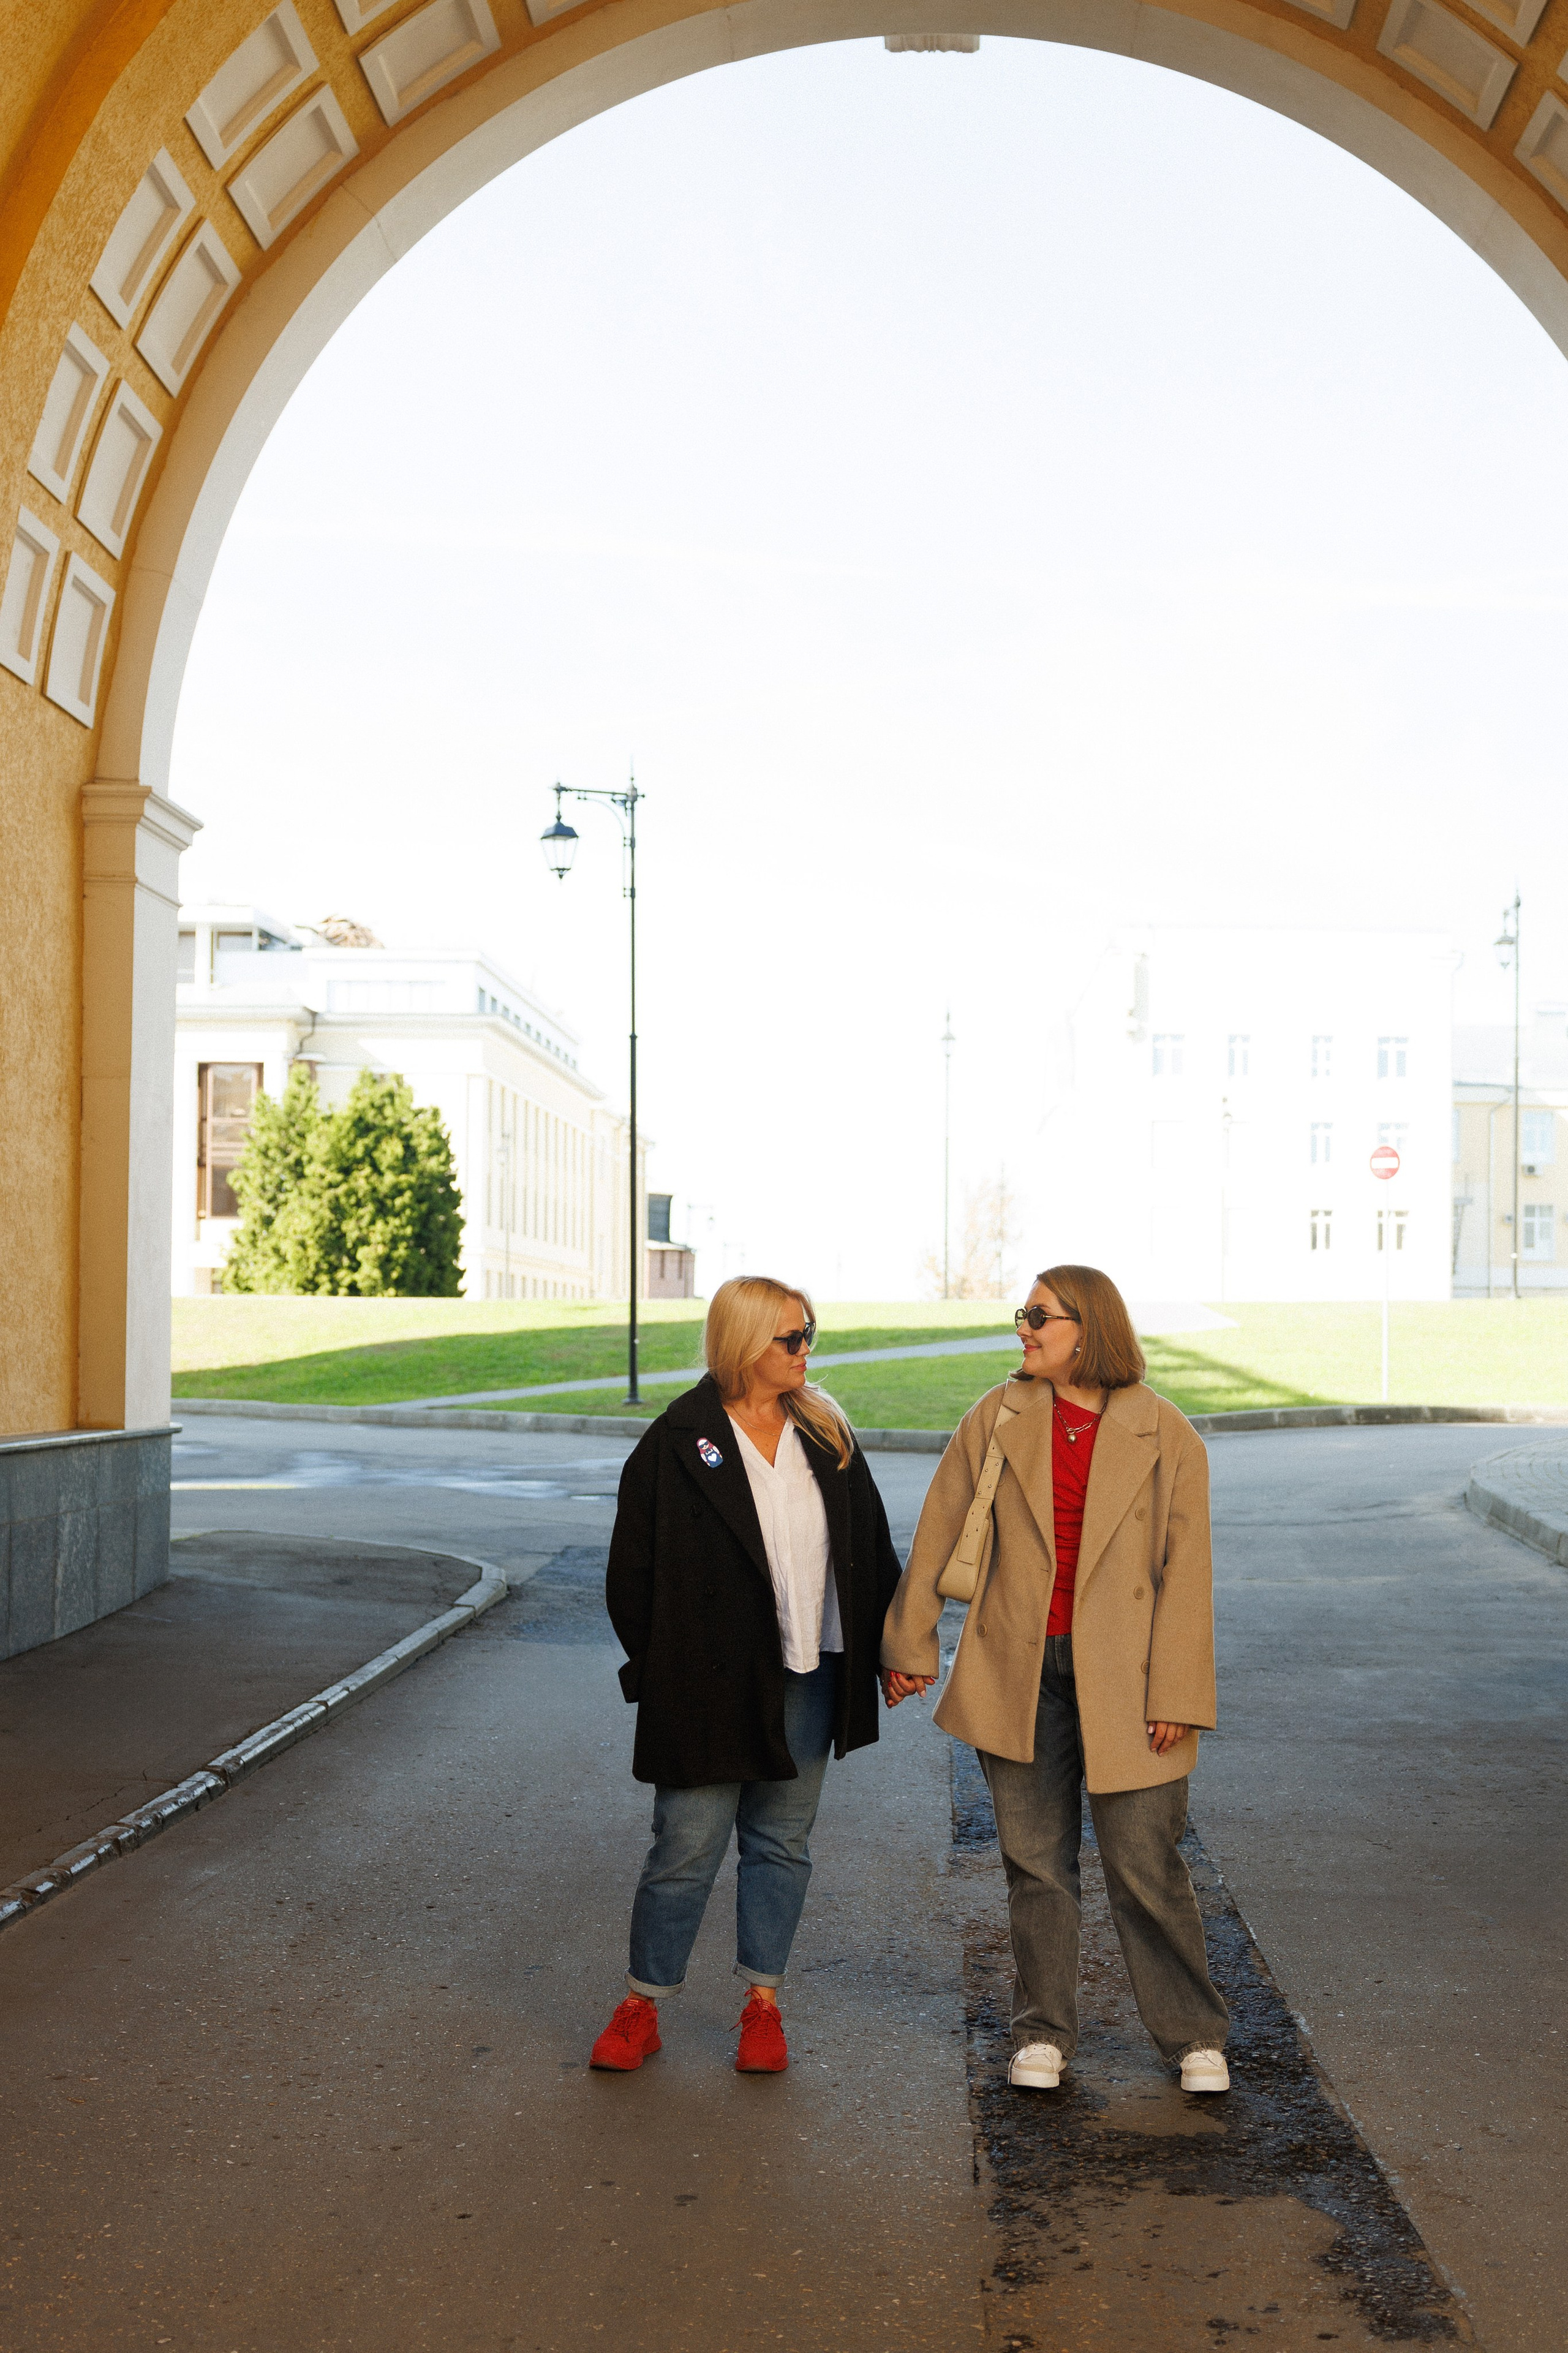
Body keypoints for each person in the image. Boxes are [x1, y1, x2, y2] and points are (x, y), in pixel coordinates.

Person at [880, 1263, 1231, 2094]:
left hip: (1132, 1676)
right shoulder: (998, 1415)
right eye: (1023, 1314)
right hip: (1019, 1664)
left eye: (1038, 1316)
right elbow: (939, 1529)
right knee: (1036, 1864)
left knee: (1146, 1864)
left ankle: (1193, 2034)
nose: (1023, 1329)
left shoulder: (1166, 1431)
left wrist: (1178, 1694)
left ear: (1088, 1328)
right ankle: (1043, 2031)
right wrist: (910, 1642)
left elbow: (1188, 1575)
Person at [590, 1275, 903, 2075]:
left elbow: (870, 1549)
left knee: (781, 1843)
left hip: (813, 1674)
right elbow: (630, 1574)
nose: (805, 1351)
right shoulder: (676, 1439)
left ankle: (763, 2005)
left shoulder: (827, 1432)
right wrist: (662, 1674)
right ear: (743, 1344)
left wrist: (891, 1650)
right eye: (790, 1339)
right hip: (704, 1688)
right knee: (685, 1843)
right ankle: (642, 2004)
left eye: (809, 1335)